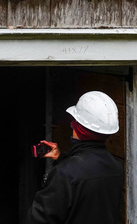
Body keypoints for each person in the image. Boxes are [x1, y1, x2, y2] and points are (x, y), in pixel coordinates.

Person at [25, 91, 124, 224]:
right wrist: (61, 159)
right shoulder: (116, 167)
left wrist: (63, 167)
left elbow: (38, 220)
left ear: (78, 128)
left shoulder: (64, 174)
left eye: (74, 123)